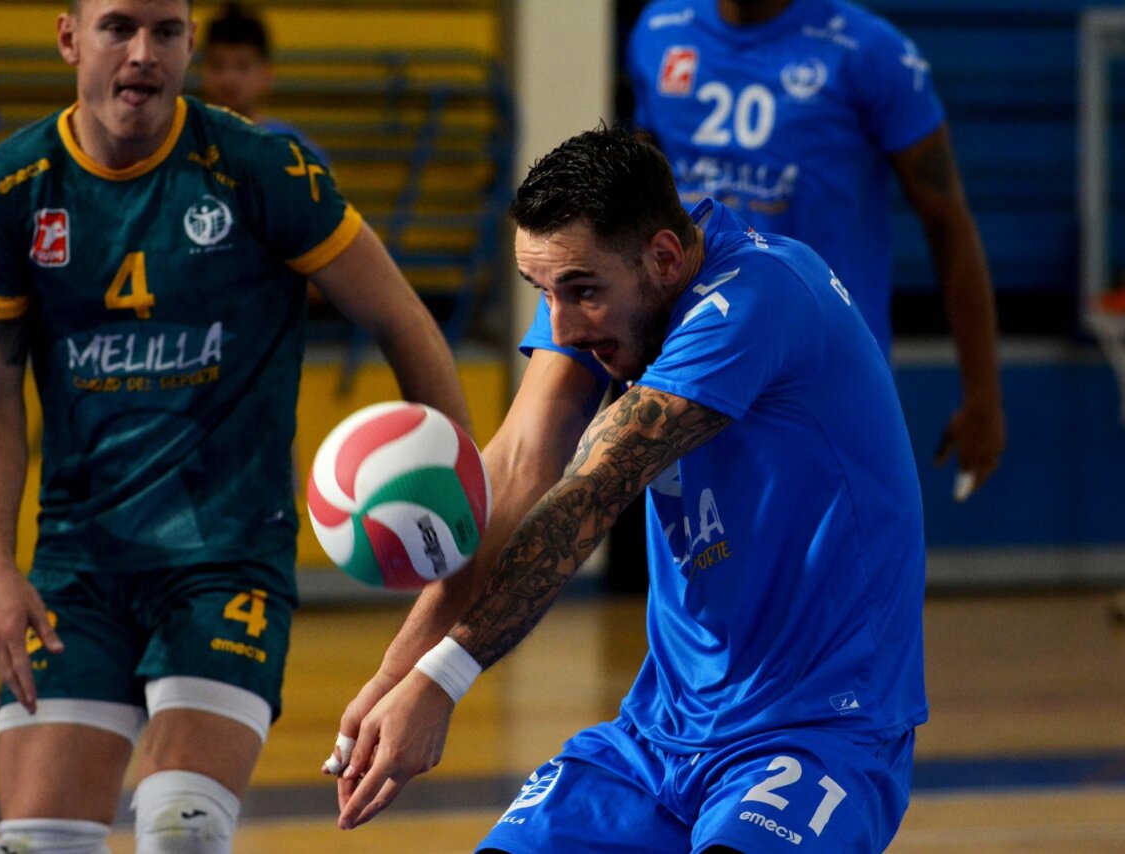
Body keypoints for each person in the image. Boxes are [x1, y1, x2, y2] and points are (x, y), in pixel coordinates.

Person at [0, 0, 469, 851]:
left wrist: (460, 496)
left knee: (180, 831)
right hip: (78, 565)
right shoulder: (7, 191)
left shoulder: (261, 168)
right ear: (69, 37)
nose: (144, 53)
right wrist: (0, 570)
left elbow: (403, 320)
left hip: (226, 557)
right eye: (119, 27)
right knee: (38, 842)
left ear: (189, 42)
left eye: (167, 30)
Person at [327, 126, 928, 853]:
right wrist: (399, 678)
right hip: (657, 737)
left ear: (665, 259)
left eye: (580, 293)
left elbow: (591, 489)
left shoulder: (756, 299)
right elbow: (519, 468)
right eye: (541, 292)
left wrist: (444, 680)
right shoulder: (612, 288)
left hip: (816, 729)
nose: (562, 325)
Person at [626, 0, 1005, 501]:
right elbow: (635, 208)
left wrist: (983, 396)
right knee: (703, 568)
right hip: (694, 365)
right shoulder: (659, 30)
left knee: (824, 569)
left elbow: (948, 223)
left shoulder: (869, 52)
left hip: (825, 380)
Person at [199, 2, 327, 164]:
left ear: (267, 74)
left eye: (243, 66)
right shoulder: (180, 147)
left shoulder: (297, 154)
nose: (229, 79)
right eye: (217, 65)